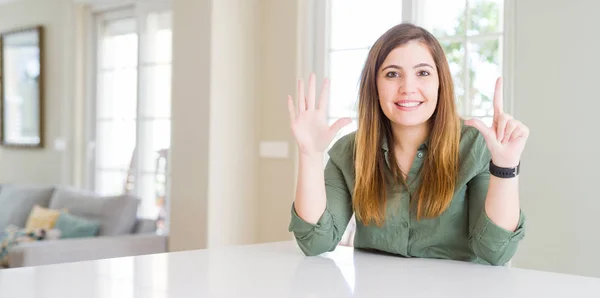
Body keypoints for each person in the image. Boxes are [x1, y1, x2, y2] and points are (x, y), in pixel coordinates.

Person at [286, 23, 529, 266]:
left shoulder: (474, 145)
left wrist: (505, 167)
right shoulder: (350, 151)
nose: (408, 88)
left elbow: (496, 252)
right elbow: (315, 243)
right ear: (375, 86)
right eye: (392, 74)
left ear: (440, 83)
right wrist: (309, 154)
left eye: (422, 73)